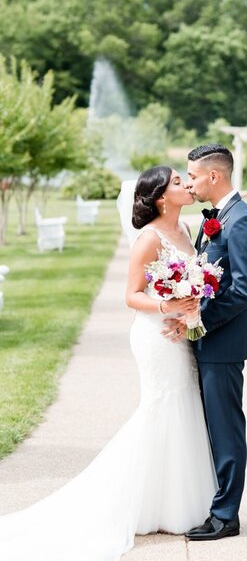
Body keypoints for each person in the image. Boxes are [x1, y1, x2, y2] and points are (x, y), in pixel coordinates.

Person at [0, 165, 218, 561]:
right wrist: (168, 306)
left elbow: (194, 285)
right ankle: (135, 501)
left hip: (178, 334)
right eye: (176, 182)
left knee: (184, 406)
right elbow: (132, 296)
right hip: (154, 336)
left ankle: (172, 503)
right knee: (162, 407)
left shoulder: (186, 232)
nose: (186, 184)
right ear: (159, 198)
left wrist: (190, 313)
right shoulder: (148, 239)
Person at [163, 144, 247, 541]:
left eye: (192, 176)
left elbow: (243, 290)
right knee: (213, 429)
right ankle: (216, 505)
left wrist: (198, 320)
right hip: (208, 342)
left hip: (223, 346)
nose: (189, 182)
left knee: (225, 430)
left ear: (214, 176)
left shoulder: (242, 221)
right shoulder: (219, 219)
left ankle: (226, 517)